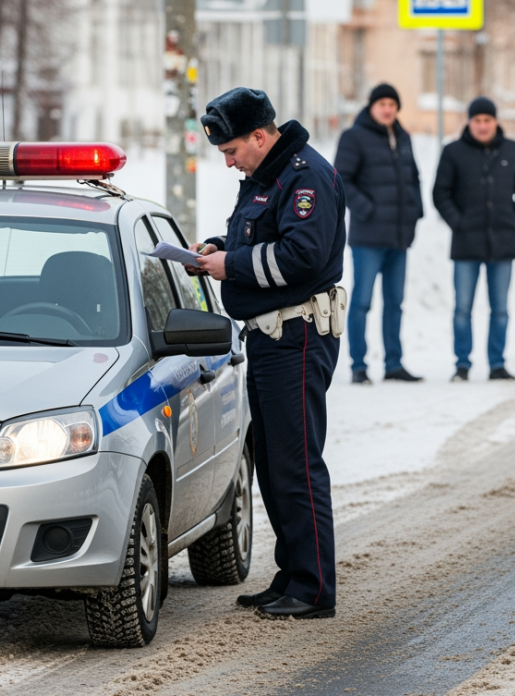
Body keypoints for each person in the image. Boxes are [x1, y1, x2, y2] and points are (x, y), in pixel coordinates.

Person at [188, 87, 346, 620]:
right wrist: (218, 248)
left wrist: (232, 266)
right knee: (277, 465)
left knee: (296, 465)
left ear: (261, 136)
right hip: (270, 337)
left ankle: (314, 587)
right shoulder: (266, 177)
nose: (228, 161)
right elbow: (262, 238)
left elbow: (302, 255)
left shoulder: (305, 177)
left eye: (232, 150)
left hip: (298, 335)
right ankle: (293, 574)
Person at [433, 97, 515, 382]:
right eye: (477, 120)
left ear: (495, 122)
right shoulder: (453, 152)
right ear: (469, 122)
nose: (482, 126)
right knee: (462, 309)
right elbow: (440, 193)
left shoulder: (513, 150)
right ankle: (462, 364)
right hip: (465, 245)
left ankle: (497, 363)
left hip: (502, 243)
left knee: (500, 309)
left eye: (487, 120)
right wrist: (458, 222)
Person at [334, 83, 425, 385]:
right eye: (382, 103)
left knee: (395, 302)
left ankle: (394, 363)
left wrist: (415, 214)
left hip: (398, 237)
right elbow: (341, 180)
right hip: (368, 237)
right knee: (362, 302)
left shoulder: (403, 136)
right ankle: (359, 365)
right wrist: (368, 210)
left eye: (392, 104)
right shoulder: (354, 137)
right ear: (371, 106)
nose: (387, 109)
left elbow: (413, 179)